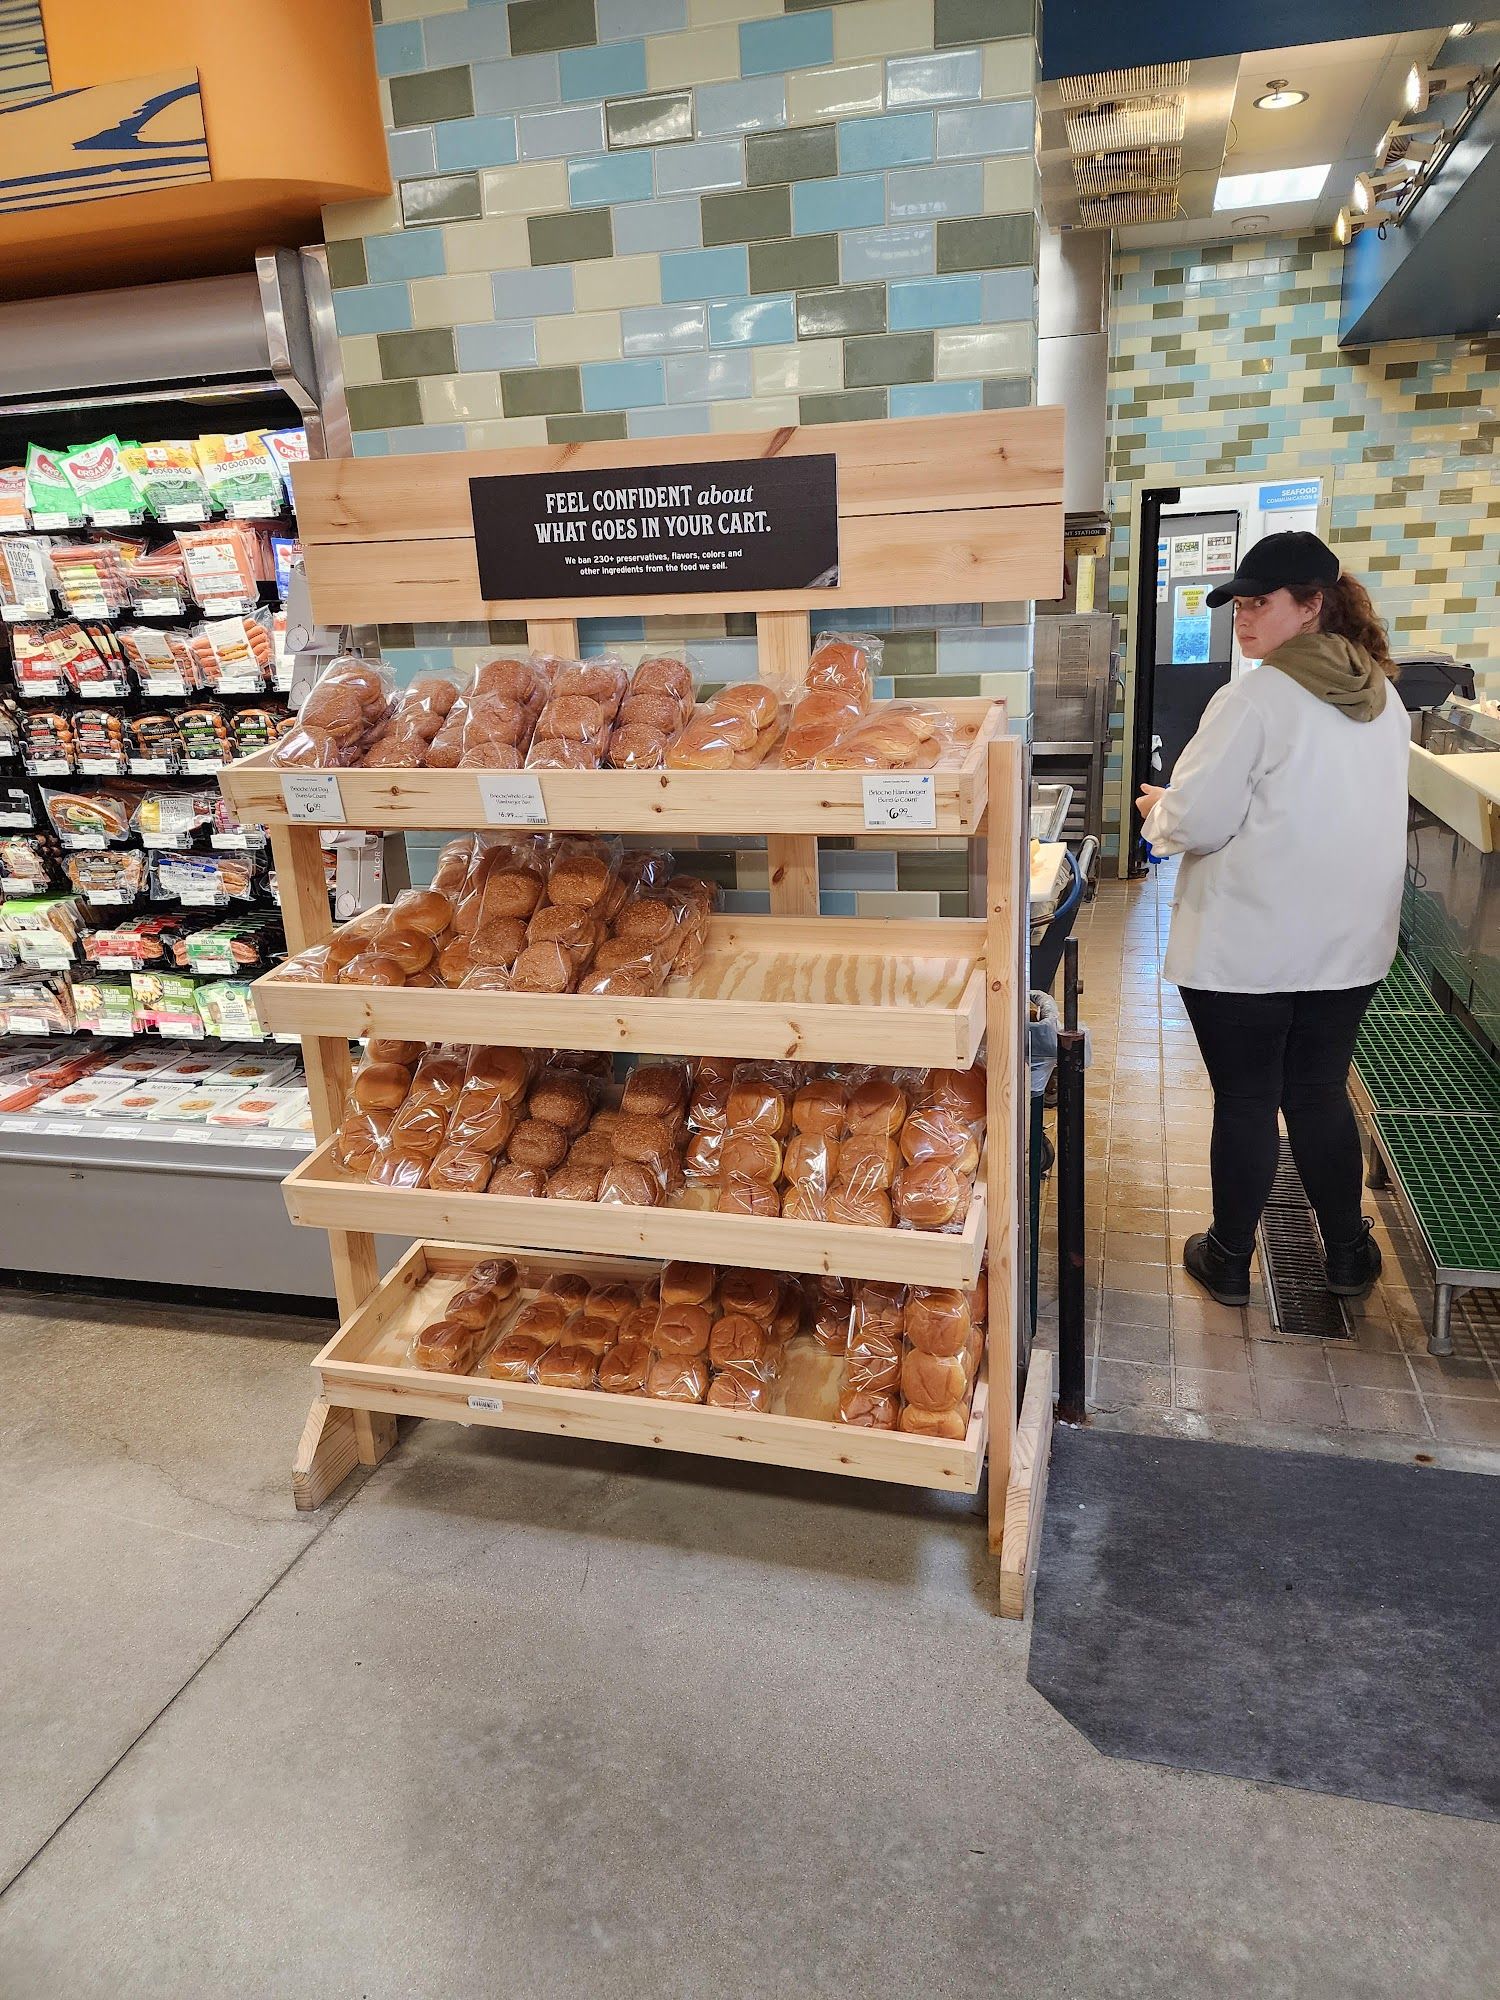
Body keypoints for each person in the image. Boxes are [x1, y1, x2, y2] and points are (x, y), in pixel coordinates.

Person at [1135, 530, 1411, 1307]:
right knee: (1319, 1092)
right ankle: (1349, 1255)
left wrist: (1163, 810)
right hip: (1349, 947)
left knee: (1251, 1100)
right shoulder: (1384, 699)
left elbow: (1201, 820)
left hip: (1250, 949)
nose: (1242, 620)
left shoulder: (1253, 699)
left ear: (1311, 606)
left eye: (1259, 604)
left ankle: (1226, 1259)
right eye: (1238, 605)